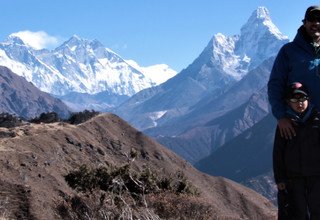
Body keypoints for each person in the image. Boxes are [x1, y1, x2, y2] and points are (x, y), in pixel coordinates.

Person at [268, 5, 320, 140]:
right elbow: (275, 85)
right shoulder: (288, 52)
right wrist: (281, 116)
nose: (316, 23)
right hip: (296, 125)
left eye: (319, 19)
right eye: (311, 19)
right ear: (304, 22)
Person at [273, 82, 320, 219]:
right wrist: (280, 178)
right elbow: (278, 153)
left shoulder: (317, 121)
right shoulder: (285, 124)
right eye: (294, 100)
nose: (299, 103)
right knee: (298, 213)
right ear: (288, 102)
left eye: (302, 99)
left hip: (317, 175)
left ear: (308, 100)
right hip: (294, 178)